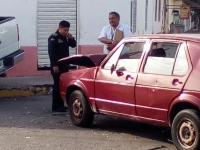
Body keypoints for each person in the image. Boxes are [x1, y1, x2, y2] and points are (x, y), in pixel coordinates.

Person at [48, 20, 76, 112]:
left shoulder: (66, 37)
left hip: (64, 65)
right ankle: (55, 106)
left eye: (67, 30)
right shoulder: (53, 38)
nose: (66, 32)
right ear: (59, 28)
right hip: (57, 66)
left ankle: (61, 105)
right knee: (57, 85)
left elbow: (73, 45)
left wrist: (71, 38)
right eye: (64, 30)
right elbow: (51, 53)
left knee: (62, 85)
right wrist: (54, 65)